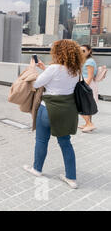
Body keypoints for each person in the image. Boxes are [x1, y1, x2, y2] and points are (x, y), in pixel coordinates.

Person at [23, 39, 83, 189]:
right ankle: (71, 178)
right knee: (66, 143)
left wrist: (33, 68)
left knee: (42, 140)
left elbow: (36, 84)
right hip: (67, 111)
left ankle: (37, 169)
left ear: (57, 52)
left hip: (48, 108)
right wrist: (46, 69)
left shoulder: (54, 68)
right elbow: (61, 81)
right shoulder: (76, 70)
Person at [79, 44, 99, 133]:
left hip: (87, 84)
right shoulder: (86, 60)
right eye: (80, 50)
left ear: (89, 51)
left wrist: (83, 87)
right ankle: (88, 124)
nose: (81, 52)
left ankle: (89, 124)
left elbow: (90, 76)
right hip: (86, 83)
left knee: (80, 104)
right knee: (87, 105)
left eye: (83, 50)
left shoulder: (89, 62)